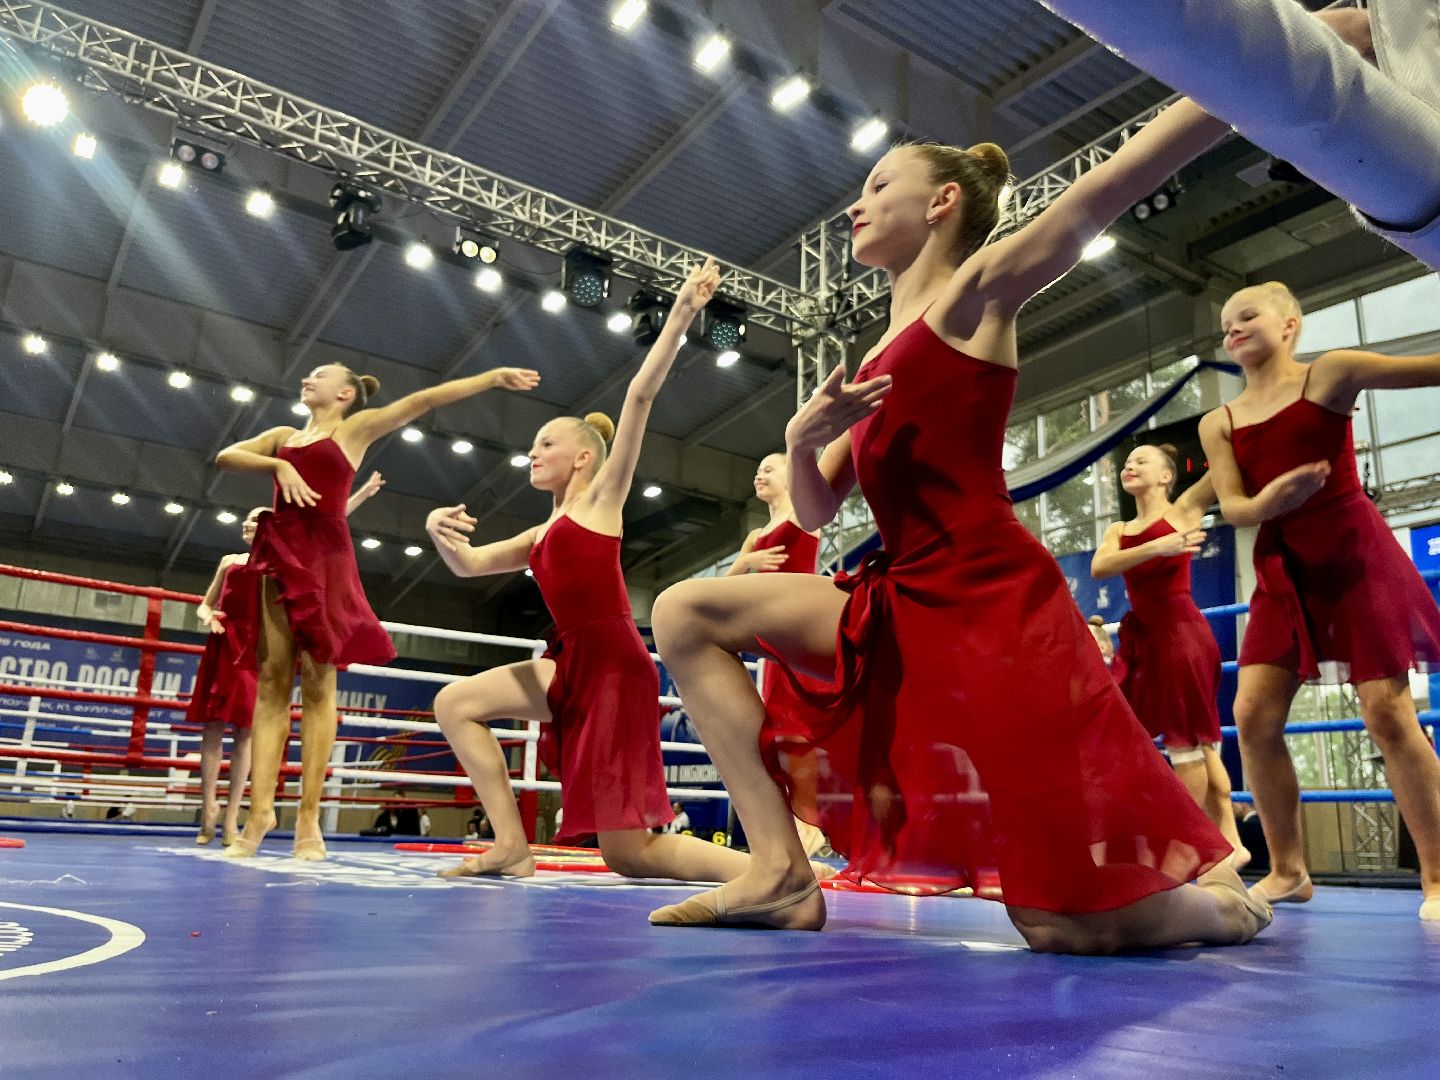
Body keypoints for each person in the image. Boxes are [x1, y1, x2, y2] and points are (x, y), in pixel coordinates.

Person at [649, 99, 1272, 952]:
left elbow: (1102, 191)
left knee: (1064, 926)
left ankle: (1225, 908)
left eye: (880, 186)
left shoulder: (972, 298)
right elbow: (820, 506)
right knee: (683, 612)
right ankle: (781, 873)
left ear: (942, 201)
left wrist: (1252, 78)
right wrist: (799, 441)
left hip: (990, 605)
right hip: (900, 596)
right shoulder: (874, 360)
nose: (856, 204)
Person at [423, 260, 754, 887]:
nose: (532, 452)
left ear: (582, 456)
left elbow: (639, 397)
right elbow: (468, 564)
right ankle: (510, 845)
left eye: (545, 443)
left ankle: (772, 869)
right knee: (455, 703)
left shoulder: (601, 502)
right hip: (570, 660)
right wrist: (437, 530)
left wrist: (683, 311)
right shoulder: (539, 534)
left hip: (613, 664)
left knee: (629, 854)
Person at [216, 362, 539, 859]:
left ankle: (308, 820)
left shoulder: (354, 429)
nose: (307, 378)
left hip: (325, 560)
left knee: (319, 683)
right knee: (272, 682)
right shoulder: (283, 437)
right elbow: (226, 456)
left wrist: (491, 378)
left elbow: (422, 401)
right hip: (279, 554)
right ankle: (259, 813)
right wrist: (278, 466)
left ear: (345, 393)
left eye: (319, 374)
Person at [1197, 280, 1440, 919]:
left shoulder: (1330, 373)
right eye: (1225, 324)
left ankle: (1439, 877)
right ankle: (1288, 870)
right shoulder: (1218, 421)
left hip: (1354, 554)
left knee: (1387, 711)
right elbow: (1235, 506)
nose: (1232, 329)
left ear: (1290, 325)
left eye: (1247, 316)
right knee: (1252, 716)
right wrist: (1272, 499)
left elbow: (1429, 368)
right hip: (1283, 566)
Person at [188, 474, 383, 848]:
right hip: (225, 644)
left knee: (247, 731)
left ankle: (234, 818)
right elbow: (205, 603)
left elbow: (330, 520)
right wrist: (209, 616)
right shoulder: (230, 561)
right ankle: (208, 807)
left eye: (257, 519)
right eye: (248, 519)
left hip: (258, 645)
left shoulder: (279, 565)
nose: (250, 524)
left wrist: (361, 494)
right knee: (212, 727)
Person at [1091, 450, 1248, 864]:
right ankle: (1230, 842)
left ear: (1165, 476)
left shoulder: (1184, 509)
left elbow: (1227, 462)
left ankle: (1185, 847)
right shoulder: (1119, 529)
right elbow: (1100, 567)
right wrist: (1157, 546)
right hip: (1141, 640)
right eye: (1128, 461)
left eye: (1141, 461)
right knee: (1141, 735)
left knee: (1188, 742)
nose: (1130, 466)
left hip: (1181, 634)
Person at [726, 452, 828, 858]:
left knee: (801, 730)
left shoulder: (803, 514)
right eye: (756, 470)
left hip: (800, 635)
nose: (759, 475)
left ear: (790, 476)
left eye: (768, 468)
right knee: (778, 734)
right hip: (771, 645)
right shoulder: (756, 536)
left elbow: (820, 481)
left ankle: (811, 824)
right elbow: (727, 586)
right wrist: (747, 560)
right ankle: (790, 826)